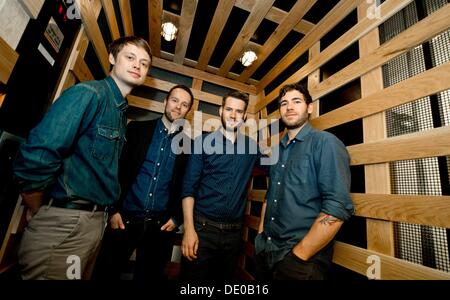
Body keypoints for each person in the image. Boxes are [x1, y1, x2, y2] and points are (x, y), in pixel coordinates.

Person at [13, 36, 152, 280]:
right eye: (130, 57)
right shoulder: (88, 94)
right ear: (112, 57)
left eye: (144, 63)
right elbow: (39, 153)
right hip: (66, 224)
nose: (137, 66)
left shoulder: (119, 111)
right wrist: (37, 204)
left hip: (91, 224)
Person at [93, 85, 193, 280]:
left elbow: (188, 184)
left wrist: (177, 218)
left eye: (184, 104)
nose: (178, 107)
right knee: (104, 273)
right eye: (174, 100)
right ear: (165, 102)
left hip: (160, 229)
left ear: (188, 111)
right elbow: (115, 169)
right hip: (124, 221)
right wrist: (113, 209)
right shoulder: (137, 130)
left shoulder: (189, 146)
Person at [254, 82, 354, 280]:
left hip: (299, 262)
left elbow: (337, 206)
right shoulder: (276, 151)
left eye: (296, 101)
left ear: (310, 107)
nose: (289, 107)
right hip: (267, 252)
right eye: (284, 103)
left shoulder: (325, 143)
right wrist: (260, 237)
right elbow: (270, 196)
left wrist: (299, 256)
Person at [180, 90, 264, 281]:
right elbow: (188, 189)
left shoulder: (251, 147)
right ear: (220, 111)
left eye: (239, 111)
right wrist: (189, 230)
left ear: (244, 116)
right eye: (229, 109)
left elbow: (276, 168)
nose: (233, 115)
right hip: (202, 230)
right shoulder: (202, 142)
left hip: (233, 234)